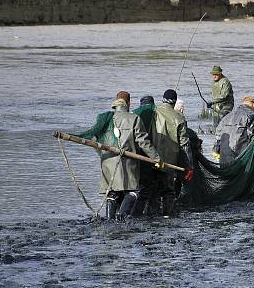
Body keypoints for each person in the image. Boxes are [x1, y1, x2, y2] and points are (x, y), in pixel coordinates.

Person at [76, 92, 164, 220]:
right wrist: (157, 160)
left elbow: (94, 141)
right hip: (127, 163)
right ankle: (121, 216)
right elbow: (144, 143)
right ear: (128, 104)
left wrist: (102, 156)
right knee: (133, 191)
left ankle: (109, 219)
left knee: (112, 193)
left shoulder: (104, 119)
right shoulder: (134, 119)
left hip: (107, 162)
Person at [150, 89, 194, 217]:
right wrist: (189, 166)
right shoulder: (179, 118)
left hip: (152, 158)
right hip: (170, 161)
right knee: (168, 190)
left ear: (163, 100)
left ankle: (152, 215)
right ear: (175, 102)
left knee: (152, 189)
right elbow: (185, 145)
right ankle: (167, 215)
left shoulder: (153, 112)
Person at [214, 96, 254, 165]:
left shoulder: (226, 117)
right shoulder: (252, 116)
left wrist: (217, 150)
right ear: (253, 104)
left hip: (224, 158)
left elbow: (218, 136)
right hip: (241, 159)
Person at [208, 65, 234, 129]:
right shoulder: (214, 82)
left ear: (220, 74)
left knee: (223, 123)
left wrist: (212, 102)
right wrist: (211, 103)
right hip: (216, 106)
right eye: (213, 74)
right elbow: (214, 96)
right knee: (215, 123)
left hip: (226, 106)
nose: (214, 76)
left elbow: (224, 96)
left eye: (216, 74)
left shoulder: (225, 82)